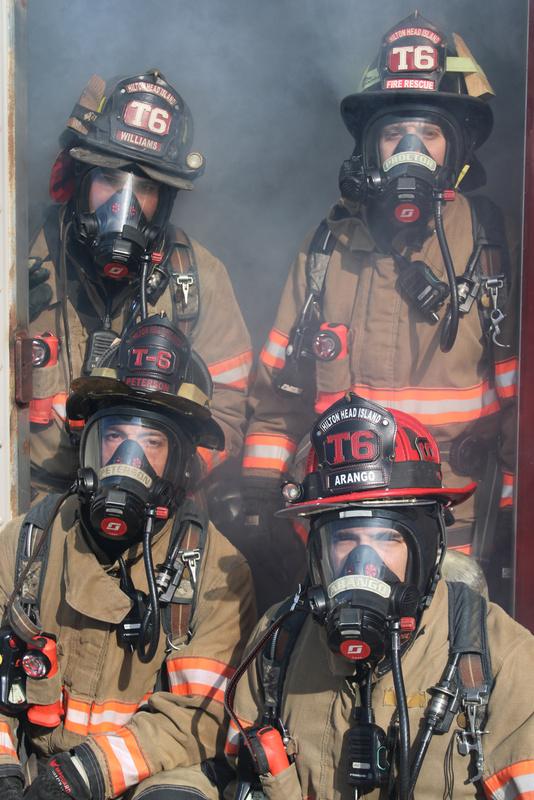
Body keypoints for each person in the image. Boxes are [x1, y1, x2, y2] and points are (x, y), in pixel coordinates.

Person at [241, 11, 517, 611]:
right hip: (339, 526)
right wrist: (262, 494)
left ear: (456, 149)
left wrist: (512, 518)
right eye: (395, 135)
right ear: (370, 146)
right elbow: (276, 399)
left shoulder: (494, 246)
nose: (410, 151)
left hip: (453, 525)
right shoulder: (326, 249)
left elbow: (520, 412)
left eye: (429, 134)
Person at [228, 393, 533, 800]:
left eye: (386, 538)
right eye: (345, 539)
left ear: (428, 548)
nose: (364, 565)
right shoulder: (278, 641)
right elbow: (236, 778)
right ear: (318, 552)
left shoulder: (504, 657)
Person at [0, 314, 256, 800]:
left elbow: (196, 718)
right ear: (90, 446)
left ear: (179, 463)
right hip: (39, 770)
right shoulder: (30, 542)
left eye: (151, 443)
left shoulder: (217, 573)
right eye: (115, 436)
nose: (128, 459)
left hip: (146, 776)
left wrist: (81, 775)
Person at [28, 68, 252, 508]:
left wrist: (177, 473)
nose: (124, 206)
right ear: (82, 179)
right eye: (110, 180)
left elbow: (228, 408)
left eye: (144, 188)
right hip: (31, 502)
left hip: (150, 510)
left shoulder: (199, 278)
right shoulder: (18, 254)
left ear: (165, 200)